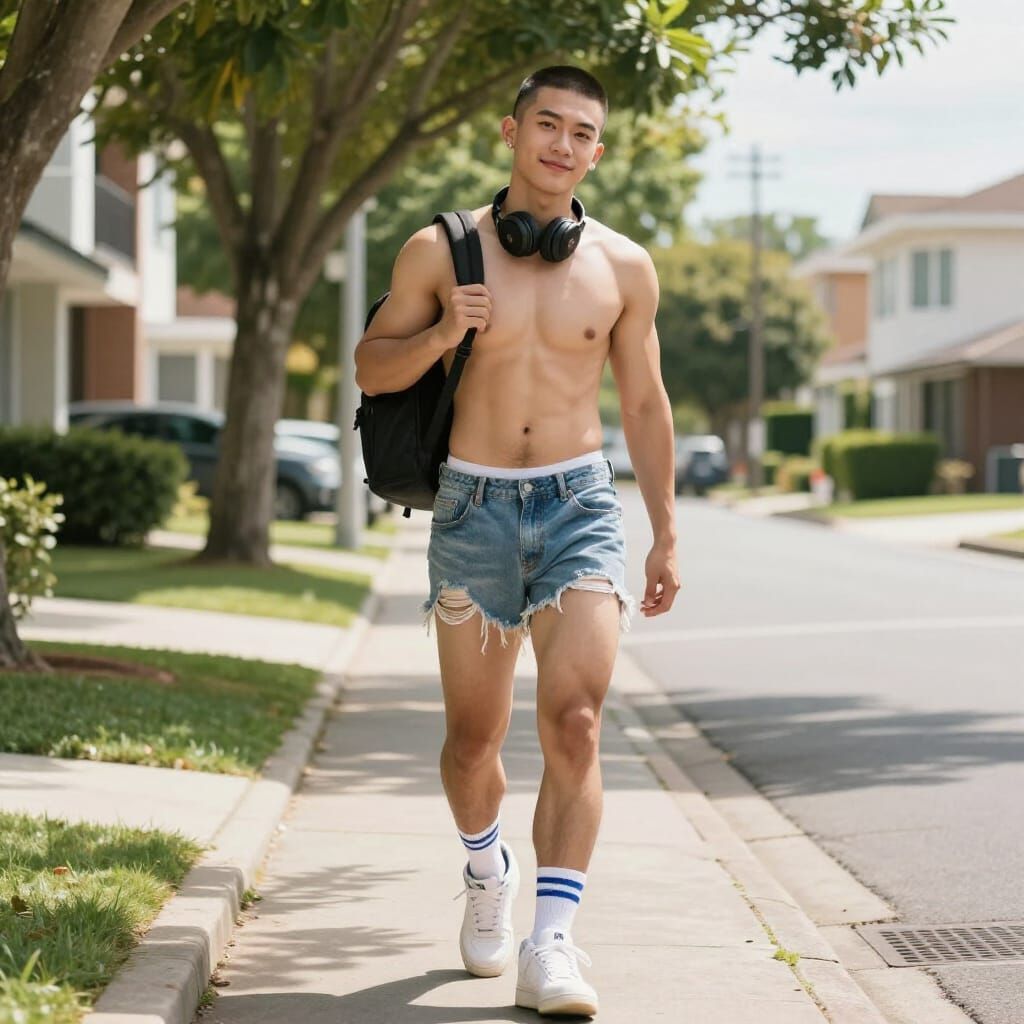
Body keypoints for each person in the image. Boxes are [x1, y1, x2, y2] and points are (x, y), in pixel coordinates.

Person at [354, 65, 680, 1018]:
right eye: (548, 124)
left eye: (582, 133)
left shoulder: (623, 267)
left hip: (580, 501)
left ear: (598, 151)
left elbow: (647, 402)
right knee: (472, 741)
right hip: (474, 506)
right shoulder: (439, 251)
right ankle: (485, 870)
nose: (562, 145)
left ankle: (553, 942)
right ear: (511, 131)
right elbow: (375, 371)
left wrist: (666, 531)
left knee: (575, 722)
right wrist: (442, 332)